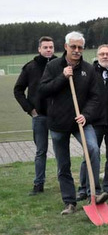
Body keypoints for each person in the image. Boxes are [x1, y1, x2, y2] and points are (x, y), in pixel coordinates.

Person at [39, 31, 108, 215]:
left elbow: (95, 97)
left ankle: (94, 192)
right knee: (63, 164)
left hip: (81, 121)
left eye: (80, 47)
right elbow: (44, 90)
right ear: (66, 47)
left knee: (93, 149)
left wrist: (86, 115)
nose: (77, 50)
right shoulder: (54, 66)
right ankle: (69, 202)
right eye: (73, 47)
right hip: (58, 123)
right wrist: (62, 77)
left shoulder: (88, 69)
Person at [13, 36, 57, 196]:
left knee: (61, 151)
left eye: (51, 47)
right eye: (45, 47)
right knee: (41, 151)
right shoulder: (30, 67)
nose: (48, 50)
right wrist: (30, 110)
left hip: (57, 117)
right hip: (39, 117)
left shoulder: (60, 65)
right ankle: (38, 184)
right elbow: (18, 90)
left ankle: (65, 182)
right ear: (39, 49)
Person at [77, 45, 108, 199]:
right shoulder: (89, 71)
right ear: (97, 55)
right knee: (89, 155)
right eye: (102, 54)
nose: (105, 56)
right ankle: (84, 188)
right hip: (94, 122)